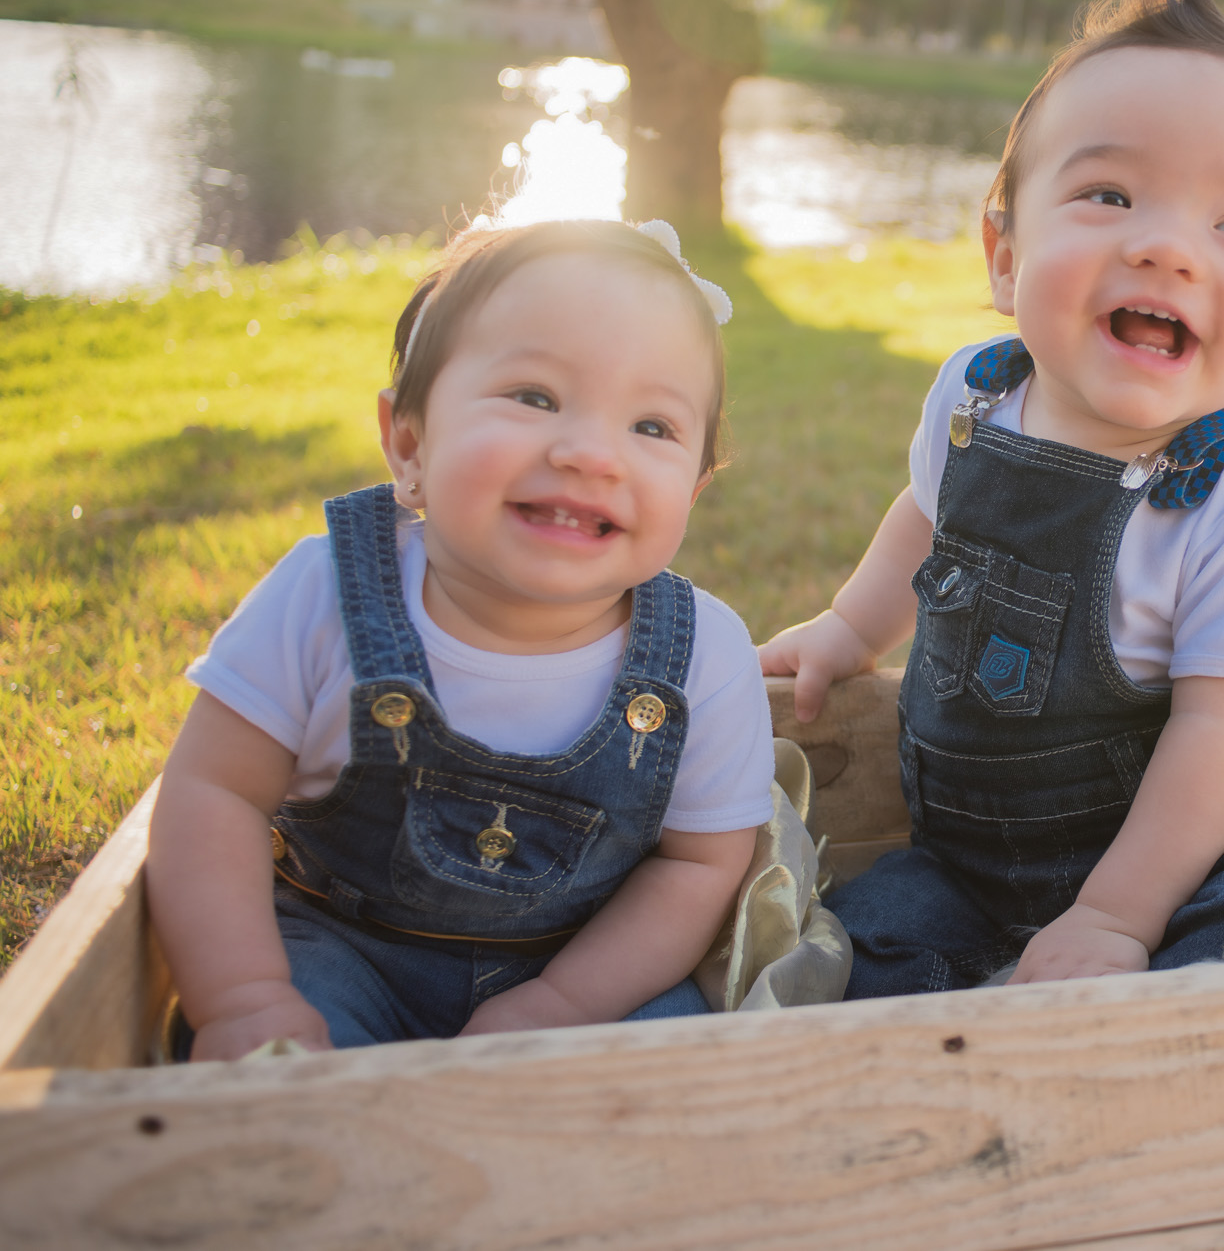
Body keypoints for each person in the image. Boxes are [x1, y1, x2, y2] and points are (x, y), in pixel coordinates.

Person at [760, 0, 1224, 997]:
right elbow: (928, 520)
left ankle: (1143, 995)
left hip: (1178, 853)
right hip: (965, 855)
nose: (1166, 248)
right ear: (1004, 257)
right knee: (869, 942)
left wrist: (1116, 916)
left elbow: (1222, 733)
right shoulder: (975, 396)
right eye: (1110, 195)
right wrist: (851, 630)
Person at [147, 218, 776, 1059]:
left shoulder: (704, 658)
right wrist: (244, 997)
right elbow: (215, 792)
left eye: (653, 427)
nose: (592, 454)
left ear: (692, 492)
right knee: (285, 1072)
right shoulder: (325, 595)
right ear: (409, 445)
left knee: (679, 1065)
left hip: (589, 971)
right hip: (340, 948)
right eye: (535, 398)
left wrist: (558, 1004)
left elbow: (698, 867)